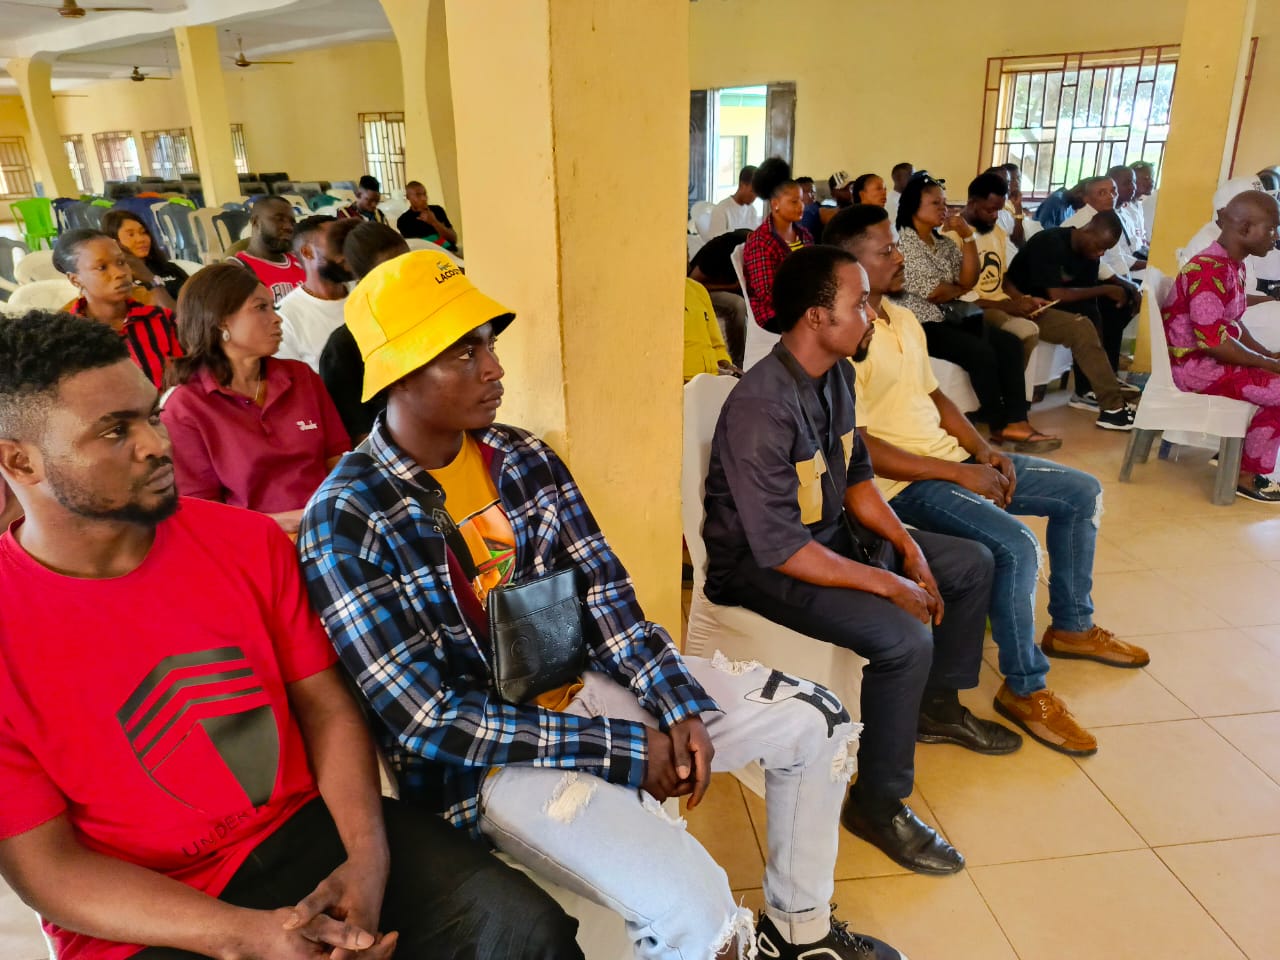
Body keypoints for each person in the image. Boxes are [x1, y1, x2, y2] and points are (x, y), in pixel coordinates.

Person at [298, 248, 906, 960]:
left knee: (817, 720)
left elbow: (607, 597)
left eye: (489, 344)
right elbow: (430, 718)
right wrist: (623, 750)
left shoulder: (522, 458)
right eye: (464, 353)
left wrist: (675, 703)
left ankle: (801, 933)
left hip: (587, 687)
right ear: (397, 375)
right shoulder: (348, 518)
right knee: (698, 910)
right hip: (491, 762)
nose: (494, 368)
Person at [0, 309, 583, 960]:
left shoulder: (244, 543)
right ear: (19, 461)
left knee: (525, 933)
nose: (155, 445)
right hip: (145, 907)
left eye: (151, 416)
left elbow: (325, 706)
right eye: (115, 431)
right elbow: (45, 868)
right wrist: (247, 937)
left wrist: (367, 860)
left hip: (305, 829)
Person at [704, 244, 1008, 876]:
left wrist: (909, 548)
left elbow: (858, 479)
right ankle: (878, 804)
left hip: (827, 538)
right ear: (818, 317)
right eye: (860, 303)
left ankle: (936, 707)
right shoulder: (762, 406)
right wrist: (887, 585)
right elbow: (783, 547)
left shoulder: (836, 374)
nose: (872, 314)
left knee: (970, 563)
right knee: (904, 637)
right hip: (763, 567)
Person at [824, 205, 1150, 758]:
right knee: (1016, 545)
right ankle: (1025, 687)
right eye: (886, 250)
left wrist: (983, 449)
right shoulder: (846, 338)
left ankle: (1072, 626)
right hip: (905, 485)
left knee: (1081, 493)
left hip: (950, 459)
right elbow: (858, 448)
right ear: (848, 264)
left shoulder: (901, 318)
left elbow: (934, 396)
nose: (900, 256)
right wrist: (958, 472)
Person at [161, 264, 350, 536]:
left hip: (332, 530)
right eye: (261, 308)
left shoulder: (301, 377)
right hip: (255, 543)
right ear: (221, 320)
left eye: (273, 307)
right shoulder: (185, 408)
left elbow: (338, 464)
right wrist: (285, 523)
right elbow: (204, 519)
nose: (277, 319)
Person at [953, 175, 1139, 431]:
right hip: (980, 308)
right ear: (972, 202)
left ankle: (1112, 408)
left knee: (1081, 327)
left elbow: (1003, 278)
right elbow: (959, 293)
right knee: (1020, 331)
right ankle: (1004, 406)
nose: (996, 216)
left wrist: (1021, 299)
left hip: (1013, 303)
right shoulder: (953, 236)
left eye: (998, 210)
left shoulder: (996, 232)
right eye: (990, 210)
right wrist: (1011, 306)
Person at [894, 174, 1059, 450]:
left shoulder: (942, 242)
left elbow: (969, 280)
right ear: (913, 206)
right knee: (980, 352)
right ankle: (999, 424)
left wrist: (968, 237)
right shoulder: (906, 245)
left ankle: (1017, 421)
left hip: (951, 316)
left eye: (944, 203)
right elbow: (936, 293)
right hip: (921, 322)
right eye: (935, 203)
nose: (943, 209)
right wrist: (957, 287)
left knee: (1009, 343)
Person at [1163, 190, 1280, 502]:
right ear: (1245, 228)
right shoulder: (1208, 270)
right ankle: (1244, 475)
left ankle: (1242, 461)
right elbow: (1213, 342)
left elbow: (1233, 323)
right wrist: (1268, 364)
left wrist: (1266, 355)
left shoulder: (1231, 264)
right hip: (1195, 368)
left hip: (1209, 362)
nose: (1275, 237)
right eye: (1271, 229)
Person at [1005, 212, 1140, 426]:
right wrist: (1106, 289)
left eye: (1105, 250)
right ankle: (1113, 409)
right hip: (1023, 306)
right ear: (1087, 230)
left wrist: (1098, 331)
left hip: (1049, 306)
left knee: (1101, 312)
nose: (1100, 253)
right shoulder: (1050, 243)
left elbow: (1087, 301)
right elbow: (1057, 295)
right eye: (1099, 247)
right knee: (1081, 327)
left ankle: (1089, 389)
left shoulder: (1090, 254)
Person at [53, 229, 182, 389]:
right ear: (75, 279)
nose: (120, 273)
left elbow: (185, 382)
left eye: (121, 262)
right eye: (102, 267)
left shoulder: (160, 319)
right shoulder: (66, 336)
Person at [318, 222, 410, 442]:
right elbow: (361, 438)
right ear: (363, 280)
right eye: (389, 273)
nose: (403, 279)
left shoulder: (431, 321)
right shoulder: (343, 347)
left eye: (408, 267)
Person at [1182, 177, 1280, 304]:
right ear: (1224, 212)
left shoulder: (1240, 237)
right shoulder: (1207, 245)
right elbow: (1223, 301)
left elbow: (1270, 264)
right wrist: (1271, 299)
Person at [276, 215, 353, 371]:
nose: (348, 251)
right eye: (337, 243)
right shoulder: (286, 318)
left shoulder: (366, 290)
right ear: (308, 252)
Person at [743, 157, 812, 331]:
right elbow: (768, 294)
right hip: (773, 314)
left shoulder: (804, 235)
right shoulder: (761, 241)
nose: (801, 206)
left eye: (801, 200)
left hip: (803, 307)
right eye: (794, 202)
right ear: (775, 204)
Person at [687, 227, 751, 366]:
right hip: (701, 290)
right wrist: (732, 287)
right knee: (738, 305)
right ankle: (738, 362)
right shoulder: (720, 250)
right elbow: (693, 282)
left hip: (731, 287)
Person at [1063, 175, 1146, 279]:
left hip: (1119, 275)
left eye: (1113, 191)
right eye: (1102, 193)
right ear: (1086, 199)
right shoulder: (1081, 224)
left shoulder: (1108, 218)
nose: (1111, 196)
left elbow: (1116, 256)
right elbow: (1099, 267)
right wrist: (1124, 283)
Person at [101, 208, 188, 308]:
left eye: (143, 232)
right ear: (114, 241)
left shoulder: (169, 268)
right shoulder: (119, 279)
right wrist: (152, 281)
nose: (141, 239)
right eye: (131, 234)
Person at [230, 195, 305, 306]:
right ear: (255, 222)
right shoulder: (238, 270)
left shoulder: (302, 260)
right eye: (279, 219)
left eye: (292, 222)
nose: (288, 227)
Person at [684, 277, 740, 381]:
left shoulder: (698, 289)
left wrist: (728, 366)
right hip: (680, 381)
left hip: (711, 377)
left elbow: (717, 345)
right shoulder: (656, 292)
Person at [396, 180, 458, 250]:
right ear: (408, 197)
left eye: (425, 194)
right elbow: (415, 247)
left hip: (450, 252)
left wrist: (434, 222)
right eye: (418, 195)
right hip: (428, 255)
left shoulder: (437, 210)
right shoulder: (403, 220)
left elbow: (453, 239)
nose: (424, 198)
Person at [707, 164, 761, 237]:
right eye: (752, 191)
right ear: (742, 185)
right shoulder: (721, 210)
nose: (755, 196)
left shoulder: (752, 210)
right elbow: (714, 242)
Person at [986, 163, 1027, 249]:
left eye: (1008, 182)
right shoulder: (976, 212)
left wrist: (1018, 208)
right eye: (1002, 182)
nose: (1007, 188)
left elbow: (1019, 242)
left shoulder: (1005, 214)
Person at [1131, 161, 1157, 241]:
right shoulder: (1124, 208)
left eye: (1152, 177)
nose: (1152, 181)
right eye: (1146, 178)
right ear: (1133, 180)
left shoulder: (1138, 205)